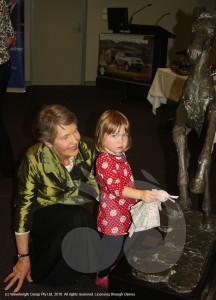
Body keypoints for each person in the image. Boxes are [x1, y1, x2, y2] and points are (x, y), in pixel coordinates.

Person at [4, 104, 99, 292]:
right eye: (65, 137)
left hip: (69, 206)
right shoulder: (33, 160)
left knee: (87, 220)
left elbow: (96, 181)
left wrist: (120, 201)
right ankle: (48, 270)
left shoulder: (86, 146)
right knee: (78, 217)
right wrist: (23, 257)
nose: (75, 140)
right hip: (40, 212)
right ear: (48, 142)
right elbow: (23, 207)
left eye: (75, 131)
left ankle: (87, 264)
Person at [94, 110, 159, 289]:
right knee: (111, 245)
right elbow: (116, 187)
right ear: (101, 136)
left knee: (122, 241)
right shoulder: (104, 161)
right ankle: (101, 274)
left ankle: (112, 263)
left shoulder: (119, 155)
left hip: (124, 209)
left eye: (124, 134)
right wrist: (140, 194)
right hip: (113, 214)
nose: (121, 140)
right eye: (114, 135)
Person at [0, 0, 16, 178]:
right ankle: (7, 164)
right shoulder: (2, 3)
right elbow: (10, 38)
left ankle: (8, 165)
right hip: (3, 64)